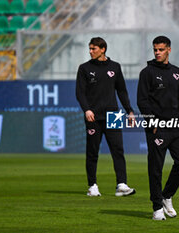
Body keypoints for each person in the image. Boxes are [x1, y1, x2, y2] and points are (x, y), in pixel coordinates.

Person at [137, 36, 179, 220]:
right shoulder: (147, 72)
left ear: (169, 49)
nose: (157, 53)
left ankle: (167, 195)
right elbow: (142, 101)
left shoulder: (176, 72)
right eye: (155, 50)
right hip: (157, 127)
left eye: (161, 49)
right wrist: (151, 121)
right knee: (155, 168)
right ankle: (157, 207)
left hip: (177, 127)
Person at [76, 37, 136, 197]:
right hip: (93, 116)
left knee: (118, 150)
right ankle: (92, 186)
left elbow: (122, 91)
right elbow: (80, 93)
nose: (90, 51)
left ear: (103, 49)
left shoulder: (114, 67)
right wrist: (86, 110)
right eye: (89, 49)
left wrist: (129, 110)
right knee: (92, 152)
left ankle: (122, 185)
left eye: (93, 49)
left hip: (114, 115)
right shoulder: (84, 68)